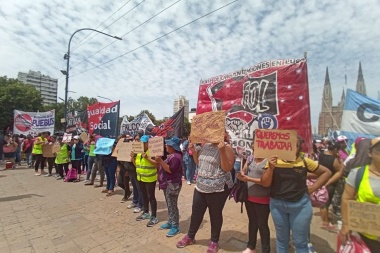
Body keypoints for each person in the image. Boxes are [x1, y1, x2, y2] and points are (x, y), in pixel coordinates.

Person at [260, 136, 331, 253]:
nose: (292, 147)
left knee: (300, 242)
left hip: (300, 206)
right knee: (282, 241)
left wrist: (312, 188)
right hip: (278, 206)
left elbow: (326, 172)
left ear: (299, 147)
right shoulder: (273, 161)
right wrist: (271, 169)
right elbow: (265, 183)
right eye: (289, 144)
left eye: (296, 145)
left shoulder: (304, 161)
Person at [176, 131, 235, 253]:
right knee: (196, 213)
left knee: (215, 214)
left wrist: (222, 151)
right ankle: (190, 236)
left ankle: (214, 241)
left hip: (218, 188)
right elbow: (198, 163)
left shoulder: (227, 147)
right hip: (200, 186)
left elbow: (227, 168)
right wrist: (194, 152)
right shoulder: (205, 146)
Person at [340, 137, 380, 252]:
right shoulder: (358, 173)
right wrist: (346, 224)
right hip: (366, 237)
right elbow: (346, 199)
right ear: (370, 153)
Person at [237, 140, 270, 253]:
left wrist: (248, 179)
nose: (254, 150)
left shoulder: (268, 161)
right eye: (253, 148)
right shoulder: (251, 158)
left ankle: (266, 249)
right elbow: (244, 170)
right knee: (252, 222)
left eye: (256, 148)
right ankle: (251, 247)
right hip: (249, 197)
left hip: (263, 199)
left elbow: (265, 181)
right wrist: (241, 173)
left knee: (262, 224)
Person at [156, 136, 183, 237]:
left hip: (173, 184)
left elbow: (170, 170)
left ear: (173, 146)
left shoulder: (176, 157)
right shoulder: (171, 155)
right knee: (169, 204)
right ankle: (170, 222)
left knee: (172, 205)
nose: (166, 146)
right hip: (168, 184)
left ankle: (175, 226)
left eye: (168, 145)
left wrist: (161, 161)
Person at [131, 135, 159, 227]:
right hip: (140, 178)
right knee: (143, 196)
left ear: (148, 143)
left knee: (151, 197)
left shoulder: (152, 151)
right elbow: (137, 165)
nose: (142, 144)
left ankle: (154, 216)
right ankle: (146, 212)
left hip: (150, 179)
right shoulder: (139, 153)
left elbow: (157, 164)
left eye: (144, 143)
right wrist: (132, 158)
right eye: (141, 142)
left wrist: (147, 157)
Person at [318, 142, 343, 231]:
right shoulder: (334, 160)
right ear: (335, 149)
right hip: (329, 183)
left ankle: (326, 218)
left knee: (323, 201)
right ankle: (325, 222)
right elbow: (340, 171)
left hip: (321, 180)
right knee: (325, 203)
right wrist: (328, 182)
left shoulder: (321, 155)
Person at [126, 134, 144, 213]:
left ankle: (140, 204)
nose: (136, 141)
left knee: (140, 188)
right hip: (131, 170)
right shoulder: (131, 149)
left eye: (138, 140)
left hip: (138, 171)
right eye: (135, 139)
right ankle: (135, 201)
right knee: (134, 187)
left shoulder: (142, 151)